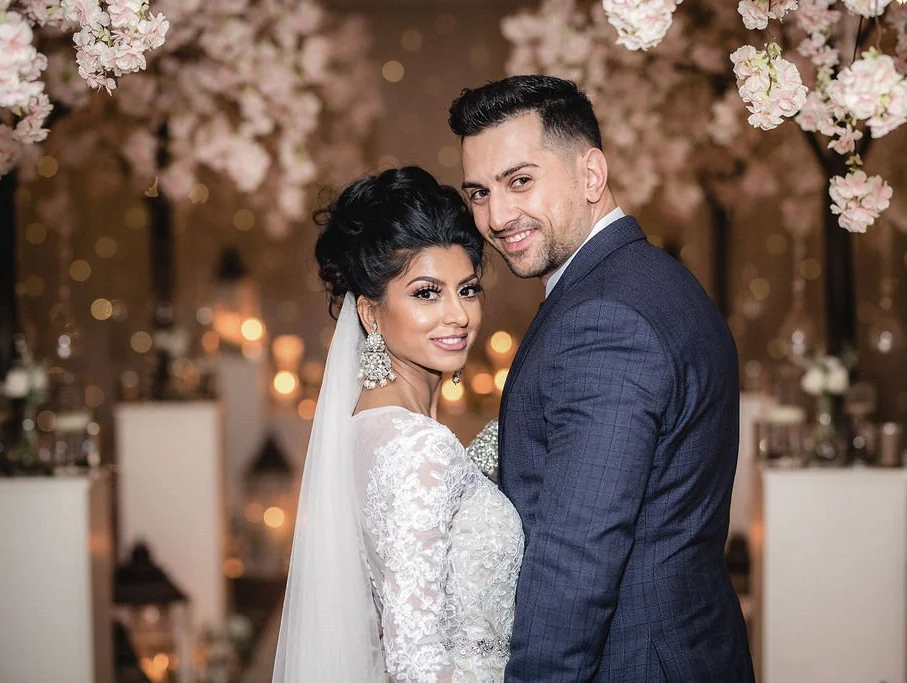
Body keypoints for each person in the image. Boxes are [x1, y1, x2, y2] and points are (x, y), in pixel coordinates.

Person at [449, 75, 754, 682]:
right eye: (479, 193)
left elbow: (575, 563)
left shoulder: (604, 320)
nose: (497, 215)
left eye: (520, 181)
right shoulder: (652, 281)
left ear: (591, 175)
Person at [272, 166, 523, 682]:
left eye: (468, 289)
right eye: (427, 293)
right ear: (370, 313)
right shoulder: (416, 448)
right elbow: (417, 663)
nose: (458, 315)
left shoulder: (370, 426)